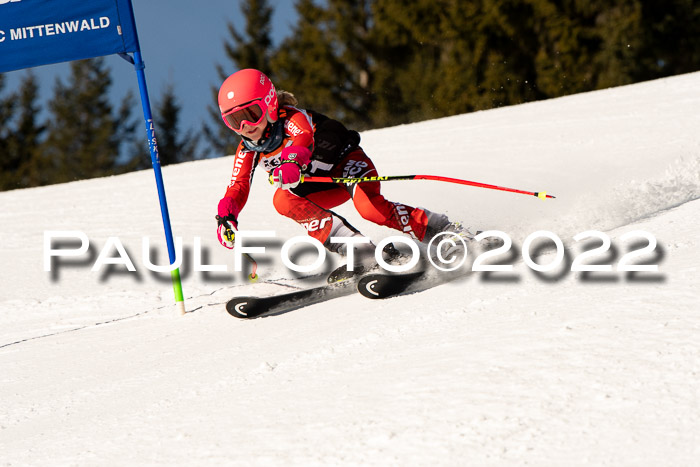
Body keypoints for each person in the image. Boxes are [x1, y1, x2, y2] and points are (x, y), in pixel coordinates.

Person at [215, 68, 471, 278]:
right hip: (323, 185)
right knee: (282, 200)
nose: (246, 126)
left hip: (347, 164)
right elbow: (238, 186)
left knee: (371, 209)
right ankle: (361, 252)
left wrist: (291, 163)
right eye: (235, 121)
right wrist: (227, 215)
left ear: (269, 104)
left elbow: (303, 138)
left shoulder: (292, 119)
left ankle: (443, 230)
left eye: (251, 114)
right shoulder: (247, 149)